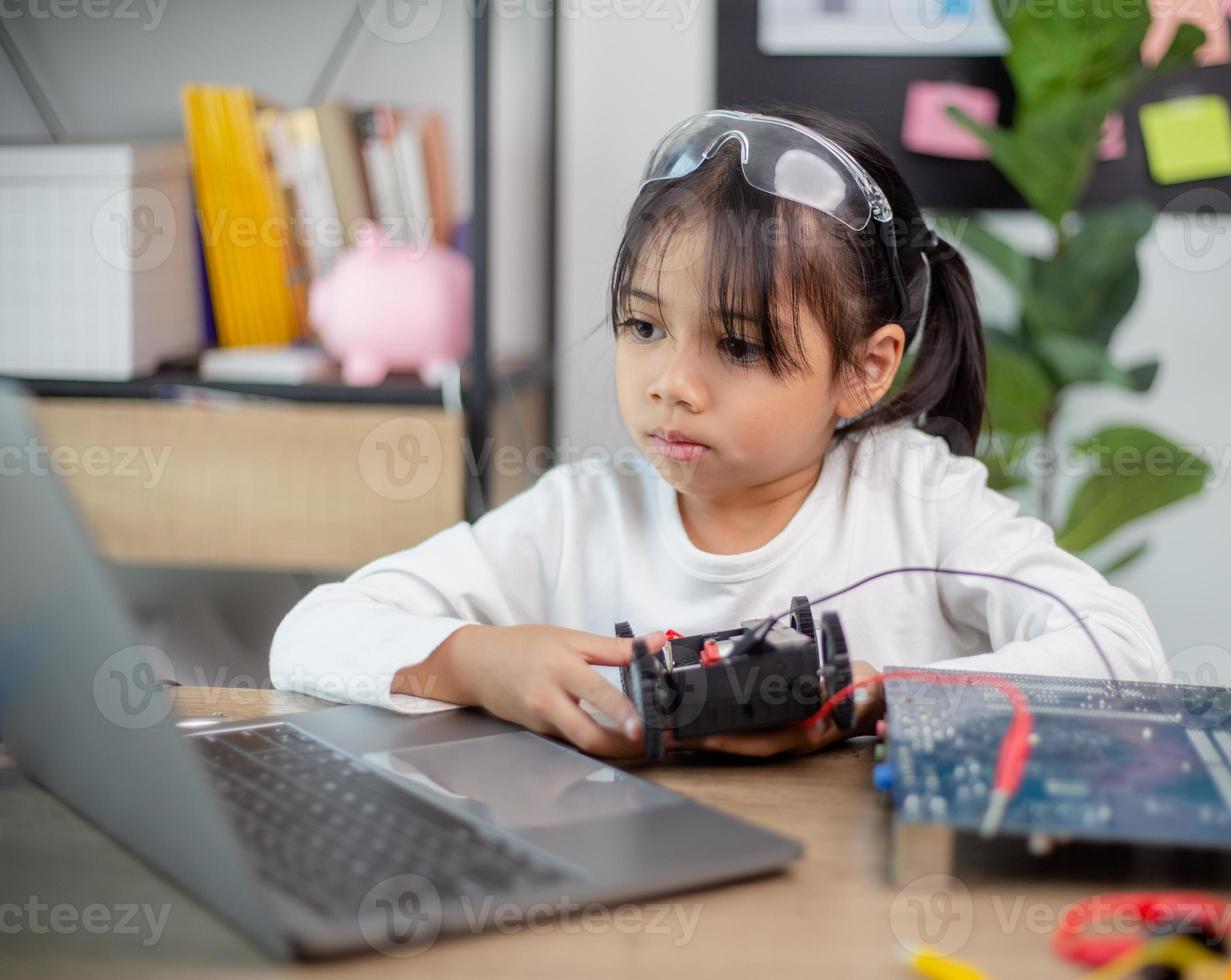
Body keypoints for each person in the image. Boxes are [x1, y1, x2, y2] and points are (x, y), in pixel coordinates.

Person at [270, 104, 1166, 759]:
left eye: (739, 345)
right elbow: (309, 634)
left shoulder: (914, 503)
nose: (673, 385)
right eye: (644, 327)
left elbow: (1123, 654)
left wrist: (874, 702)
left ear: (865, 367)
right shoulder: (579, 516)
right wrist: (476, 662)